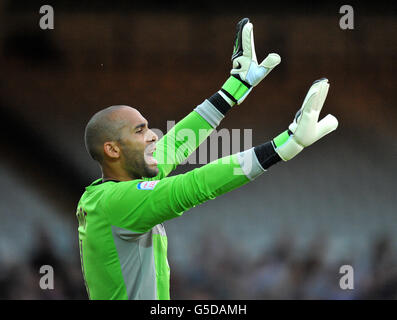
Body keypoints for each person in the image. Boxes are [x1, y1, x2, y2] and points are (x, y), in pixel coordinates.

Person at [76, 18, 338, 300]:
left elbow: (177, 143)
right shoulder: (117, 202)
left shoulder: (118, 188)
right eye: (140, 131)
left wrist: (235, 87)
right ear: (113, 150)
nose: (153, 136)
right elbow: (196, 185)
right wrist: (281, 147)